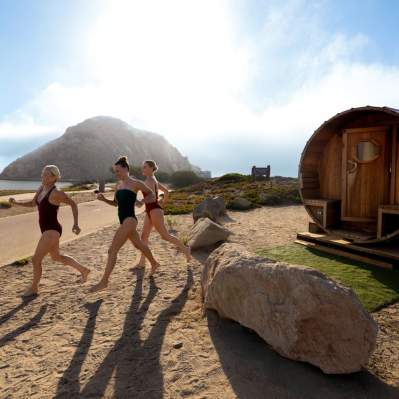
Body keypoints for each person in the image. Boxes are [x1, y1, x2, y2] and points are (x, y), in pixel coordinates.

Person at [9, 165, 90, 297]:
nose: (42, 176)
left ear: (54, 178)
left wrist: (75, 223)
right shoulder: (41, 189)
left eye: (46, 174)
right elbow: (32, 203)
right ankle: (84, 270)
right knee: (56, 257)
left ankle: (34, 288)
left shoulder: (56, 192)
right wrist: (16, 202)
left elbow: (73, 204)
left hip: (52, 230)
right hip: (47, 230)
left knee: (36, 260)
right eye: (42, 173)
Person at [90, 156, 160, 293]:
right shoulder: (119, 185)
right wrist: (104, 199)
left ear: (126, 169)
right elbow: (116, 203)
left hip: (130, 220)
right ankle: (154, 263)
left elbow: (152, 195)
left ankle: (104, 281)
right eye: (115, 171)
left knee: (112, 250)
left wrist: (141, 201)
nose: (117, 173)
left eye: (118, 170)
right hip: (123, 220)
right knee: (139, 244)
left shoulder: (136, 183)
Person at [135, 160, 191, 269]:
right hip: (152, 210)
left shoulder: (149, 180)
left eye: (145, 167)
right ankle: (142, 262)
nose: (143, 169)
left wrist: (141, 202)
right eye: (143, 167)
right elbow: (166, 192)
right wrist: (162, 203)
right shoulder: (153, 179)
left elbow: (150, 197)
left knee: (165, 236)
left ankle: (186, 249)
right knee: (144, 237)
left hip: (154, 210)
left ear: (151, 168)